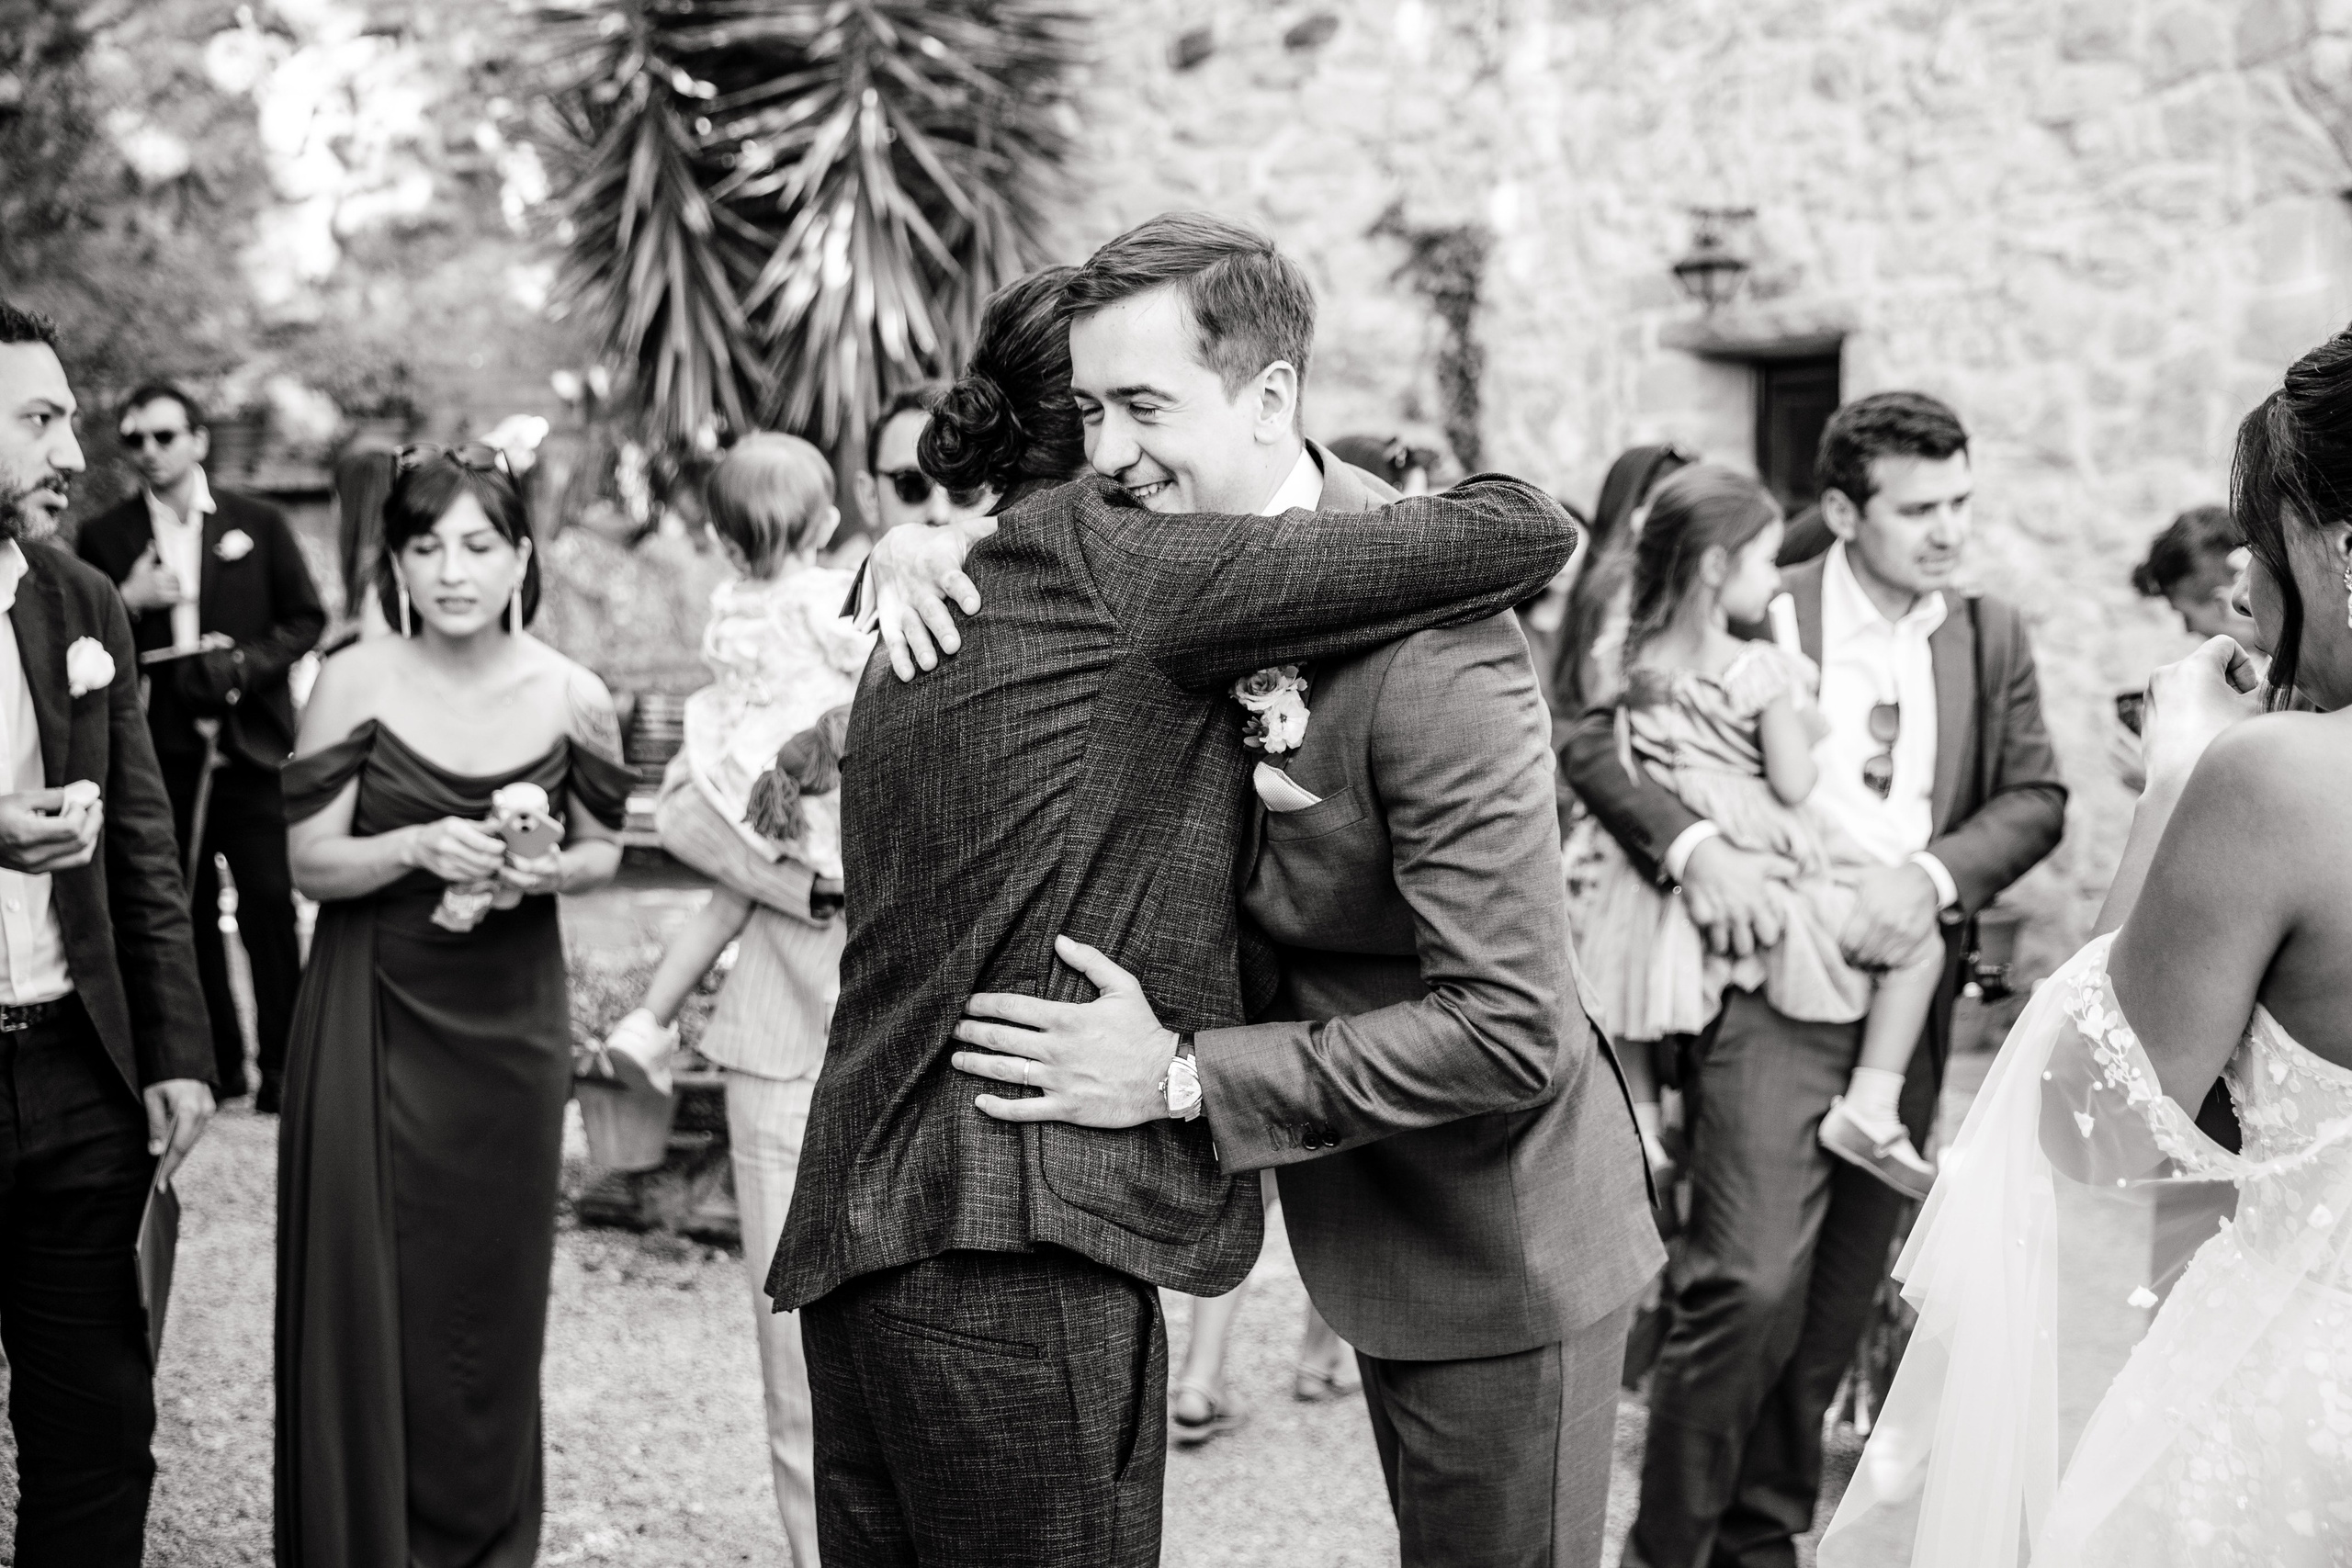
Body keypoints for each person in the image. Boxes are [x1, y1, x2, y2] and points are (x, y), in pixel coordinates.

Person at [766, 223, 1577, 1568]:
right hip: (1010, 1236)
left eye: (1137, 408)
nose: (1114, 454)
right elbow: (1522, 526)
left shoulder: (948, 599)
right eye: (1098, 410)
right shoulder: (1124, 559)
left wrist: (909, 538)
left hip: (863, 1239)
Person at [1820, 326, 2352, 1565]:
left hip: (2307, 1398)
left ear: (2337, 550)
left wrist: (2175, 781)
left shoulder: (2279, 783)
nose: (2246, 600)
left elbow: (2086, 1120)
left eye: (2259, 548)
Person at [1562, 391, 2066, 1568]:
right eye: (1918, 509)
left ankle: (1763, 1544)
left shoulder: (1989, 633)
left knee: (1835, 1299)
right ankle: (1667, 1551)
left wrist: (1933, 878)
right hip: (1762, 989)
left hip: (1907, 992)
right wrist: (1698, 847)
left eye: (1960, 503)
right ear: (1840, 510)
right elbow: (1590, 734)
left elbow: (2035, 798)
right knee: (1744, 1285)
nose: (1948, 530)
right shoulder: (1755, 601)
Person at [274, 445, 631, 1568]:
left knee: (493, 1287)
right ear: (396, 562)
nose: (452, 571)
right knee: (367, 1288)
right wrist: (417, 844)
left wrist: (547, 873)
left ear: (521, 556)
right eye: (425, 548)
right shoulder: (354, 678)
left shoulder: (576, 695)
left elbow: (604, 850)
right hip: (372, 1008)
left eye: (478, 545)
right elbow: (309, 863)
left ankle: (483, 1542)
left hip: (511, 1024)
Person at [594, 431, 869, 1568]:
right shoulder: (832, 615)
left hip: (887, 1010)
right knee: (793, 1358)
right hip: (777, 1026)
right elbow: (688, 825)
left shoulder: (738, 615)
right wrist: (808, 878)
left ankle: (647, 1022)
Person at [1575, 465, 1947, 1199]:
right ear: (1717, 566)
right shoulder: (1760, 669)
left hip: (1641, 877)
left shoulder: (1623, 661)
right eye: (1765, 559)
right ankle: (1871, 1104)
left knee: (1624, 979)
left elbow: (1621, 749)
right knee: (1921, 942)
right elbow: (1791, 784)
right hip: (1761, 843)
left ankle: (1641, 1126)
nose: (1776, 581)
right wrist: (1805, 731)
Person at [0, 301, 215, 1565]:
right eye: (39, 419)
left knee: (99, 1429)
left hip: (78, 1071)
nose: (75, 450)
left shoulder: (81, 600)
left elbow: (142, 840)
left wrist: (176, 1047)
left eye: (68, 417)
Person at [76, 383, 325, 1111]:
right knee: (180, 908)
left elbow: (307, 617)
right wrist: (128, 598)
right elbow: (88, 634)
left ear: (198, 440)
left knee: (270, 905)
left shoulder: (261, 521)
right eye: (134, 440)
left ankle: (286, 1065)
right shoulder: (106, 537)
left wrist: (245, 664)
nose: (149, 452)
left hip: (248, 746)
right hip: (159, 752)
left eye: (163, 436)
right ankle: (217, 1063)